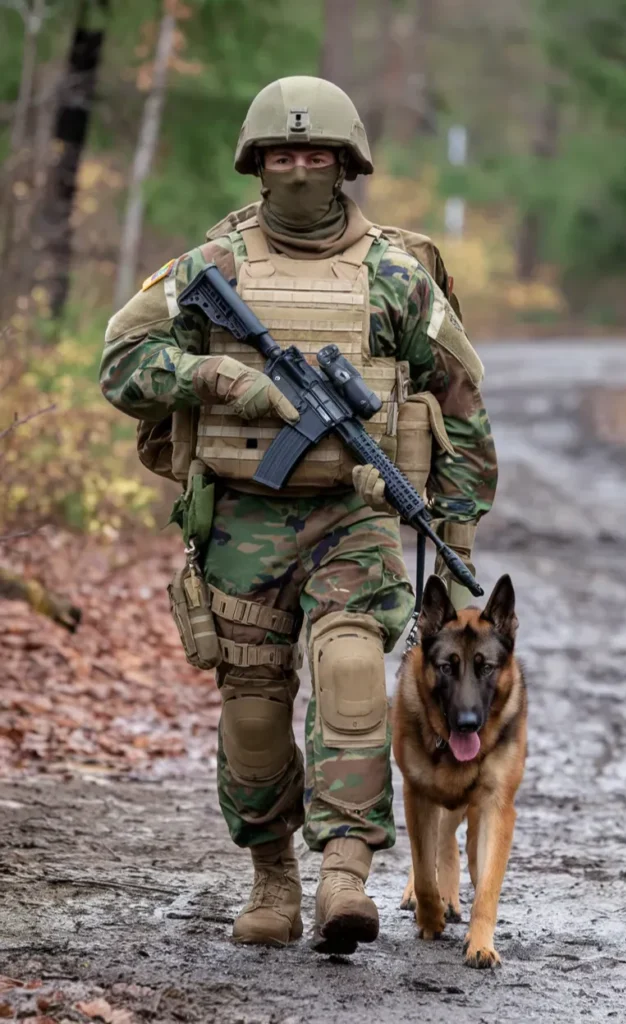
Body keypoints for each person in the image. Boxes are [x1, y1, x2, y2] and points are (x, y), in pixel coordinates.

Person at [100, 76, 498, 954]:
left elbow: (459, 395)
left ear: (346, 163)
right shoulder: (212, 268)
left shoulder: (395, 273)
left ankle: (344, 877)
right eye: (281, 154)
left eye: (315, 154)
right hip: (240, 518)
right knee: (251, 709)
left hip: (354, 517)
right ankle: (272, 878)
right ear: (256, 162)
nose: (298, 168)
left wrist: (458, 522)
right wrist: (220, 379)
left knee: (355, 678)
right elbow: (121, 361)